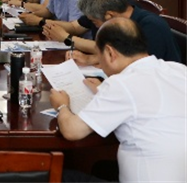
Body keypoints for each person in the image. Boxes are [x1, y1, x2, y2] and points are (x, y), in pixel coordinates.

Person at [50, 17, 186, 183]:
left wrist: (62, 106)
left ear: (110, 53)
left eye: (99, 56)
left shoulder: (121, 84)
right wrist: (104, 89)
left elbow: (72, 131)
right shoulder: (178, 69)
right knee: (101, 168)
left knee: (60, 175)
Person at [62, 0, 180, 65]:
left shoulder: (151, 27)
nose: (96, 26)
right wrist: (90, 59)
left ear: (109, 15)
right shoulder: (121, 25)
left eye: (94, 21)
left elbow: (140, 67)